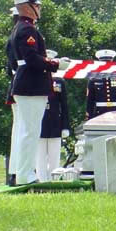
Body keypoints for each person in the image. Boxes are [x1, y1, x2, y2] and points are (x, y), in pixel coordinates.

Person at [9, 0, 70, 185]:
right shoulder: (27, 30)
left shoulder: (22, 28)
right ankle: (25, 174)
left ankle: (24, 172)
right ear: (28, 7)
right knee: (30, 131)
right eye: (37, 5)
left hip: (28, 84)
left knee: (29, 131)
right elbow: (32, 59)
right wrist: (55, 64)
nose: (40, 8)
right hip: (31, 85)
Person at [37, 49, 70, 182]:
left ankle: (54, 180)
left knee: (54, 156)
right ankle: (41, 180)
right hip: (39, 122)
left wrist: (65, 126)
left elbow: (64, 106)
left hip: (55, 123)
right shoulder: (36, 80)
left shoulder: (59, 82)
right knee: (39, 157)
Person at [85, 49, 116, 120]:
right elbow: (90, 100)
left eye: (108, 62)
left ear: (112, 62)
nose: (106, 64)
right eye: (104, 62)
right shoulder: (94, 78)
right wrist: (89, 116)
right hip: (99, 113)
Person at [6, 6, 20, 186]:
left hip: (18, 86)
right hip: (23, 86)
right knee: (21, 131)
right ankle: (17, 171)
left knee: (20, 131)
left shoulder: (14, 36)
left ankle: (16, 171)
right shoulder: (18, 37)